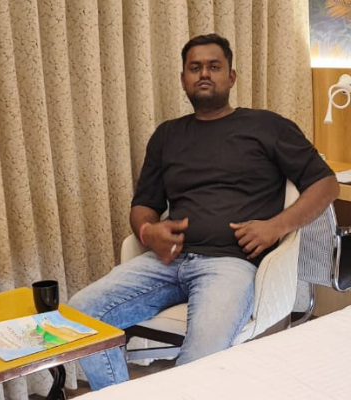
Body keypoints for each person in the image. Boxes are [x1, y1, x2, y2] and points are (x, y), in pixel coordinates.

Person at [69, 33, 339, 391]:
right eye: (195, 68)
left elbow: (326, 184)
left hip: (229, 265)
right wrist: (149, 232)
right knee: (79, 315)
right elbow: (143, 205)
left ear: (232, 77)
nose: (204, 74)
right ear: (184, 79)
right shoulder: (167, 135)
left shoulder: (266, 126)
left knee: (199, 361)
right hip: (166, 262)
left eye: (214, 66)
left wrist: (276, 226)